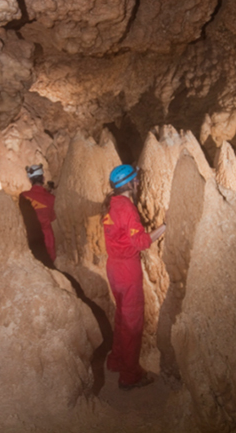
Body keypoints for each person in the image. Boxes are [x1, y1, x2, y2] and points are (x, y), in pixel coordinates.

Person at [102, 164, 166, 390]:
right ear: (127, 184)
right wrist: (165, 227)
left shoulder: (112, 205)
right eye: (135, 180)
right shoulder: (127, 208)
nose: (138, 183)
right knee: (132, 323)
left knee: (121, 317)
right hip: (128, 270)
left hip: (113, 268)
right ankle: (130, 375)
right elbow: (141, 242)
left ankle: (117, 360)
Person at [20, 164, 57, 267]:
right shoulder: (51, 198)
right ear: (43, 178)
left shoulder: (23, 196)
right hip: (47, 238)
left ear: (30, 180)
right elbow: (53, 217)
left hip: (30, 238)